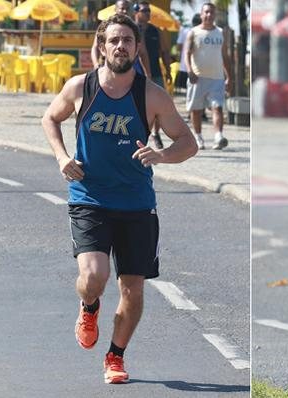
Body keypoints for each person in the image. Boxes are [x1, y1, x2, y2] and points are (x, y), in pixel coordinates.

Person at [41, 13, 198, 384]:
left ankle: (115, 355)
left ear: (137, 47)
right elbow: (50, 118)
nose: (120, 46)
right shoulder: (81, 87)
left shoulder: (152, 95)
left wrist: (161, 156)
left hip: (137, 204)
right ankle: (89, 305)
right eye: (113, 40)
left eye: (127, 40)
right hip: (89, 196)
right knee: (94, 276)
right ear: (101, 46)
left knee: (133, 289)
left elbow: (187, 143)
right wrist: (63, 158)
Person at [184, 2, 231, 150]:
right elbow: (187, 53)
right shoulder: (194, 32)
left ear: (215, 15)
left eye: (211, 12)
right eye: (206, 12)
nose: (209, 15)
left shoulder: (220, 32)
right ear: (201, 14)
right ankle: (198, 137)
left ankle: (218, 136)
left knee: (217, 107)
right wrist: (190, 71)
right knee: (196, 110)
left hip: (217, 78)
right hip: (198, 78)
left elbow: (224, 55)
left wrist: (229, 76)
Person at [133, 1, 171, 149]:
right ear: (136, 12)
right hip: (135, 74)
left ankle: (155, 133)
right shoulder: (131, 29)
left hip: (155, 73)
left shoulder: (156, 31)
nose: (148, 13)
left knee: (158, 105)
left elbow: (165, 52)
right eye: (144, 11)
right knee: (136, 105)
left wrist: (167, 71)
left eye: (149, 11)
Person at [91, 0, 150, 77]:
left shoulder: (135, 28)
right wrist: (96, 64)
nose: (125, 11)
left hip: (132, 68)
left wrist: (148, 73)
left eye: (127, 9)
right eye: (122, 8)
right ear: (116, 9)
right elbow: (95, 47)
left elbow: (143, 52)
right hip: (110, 68)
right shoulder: (106, 26)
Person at [175, 13, 202, 94]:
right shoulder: (203, 33)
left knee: (187, 91)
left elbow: (178, 47)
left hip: (185, 66)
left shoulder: (185, 31)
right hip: (198, 67)